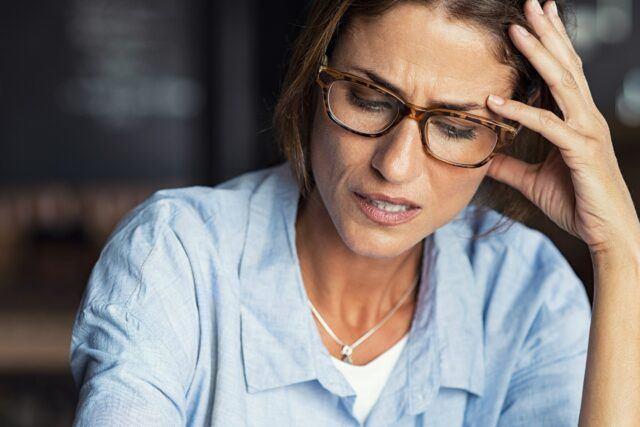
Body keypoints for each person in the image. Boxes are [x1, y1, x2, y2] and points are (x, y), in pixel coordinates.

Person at [69, 0, 640, 425]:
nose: (396, 166)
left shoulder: (528, 293)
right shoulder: (176, 258)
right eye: (368, 99)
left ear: (507, 134)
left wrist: (619, 253)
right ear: (314, 77)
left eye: (456, 127)